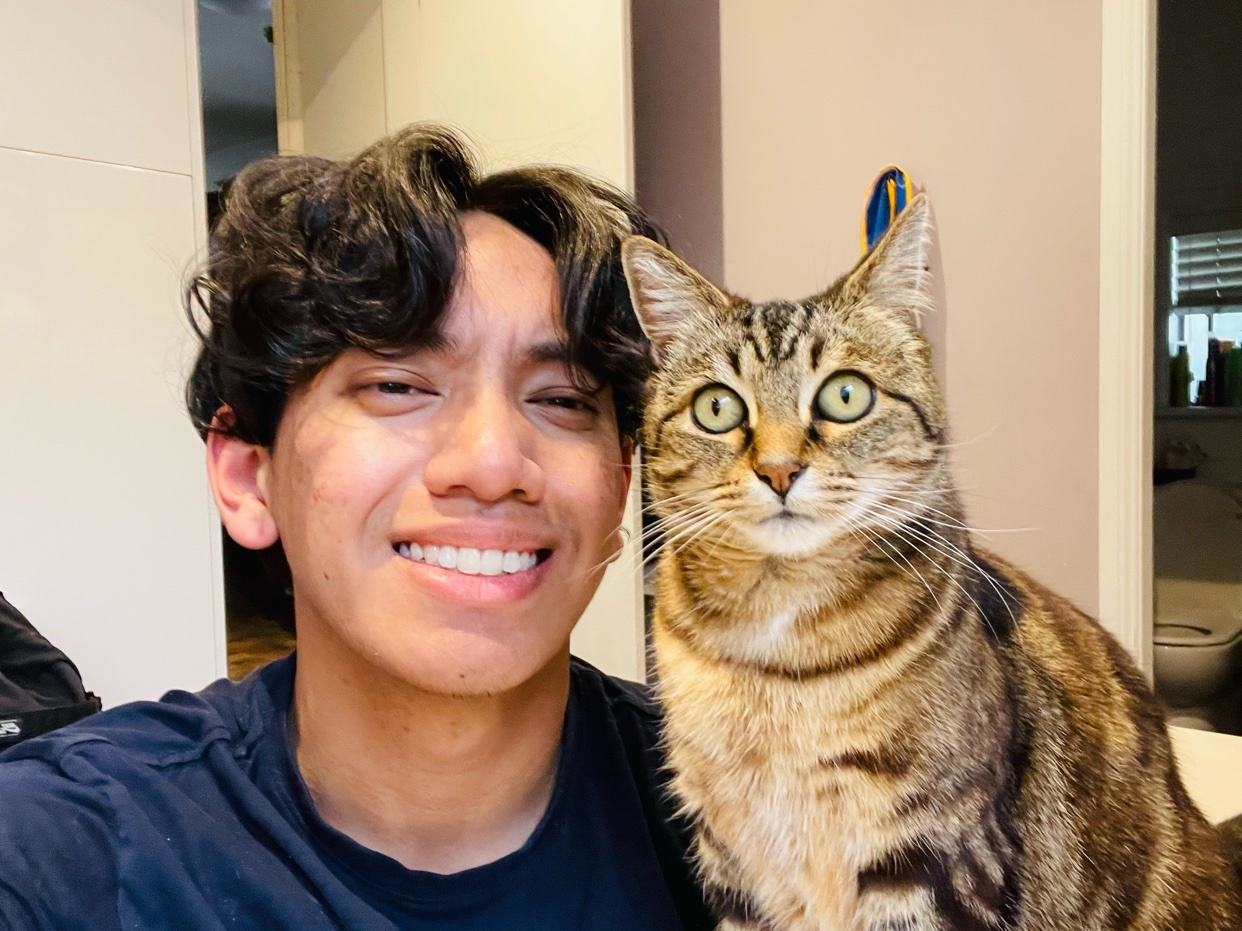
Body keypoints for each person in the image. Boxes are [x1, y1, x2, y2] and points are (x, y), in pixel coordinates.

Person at [0, 125, 712, 930]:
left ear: (621, 483)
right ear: (248, 478)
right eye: (398, 385)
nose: (491, 462)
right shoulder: (64, 851)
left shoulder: (756, 809)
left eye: (561, 399)